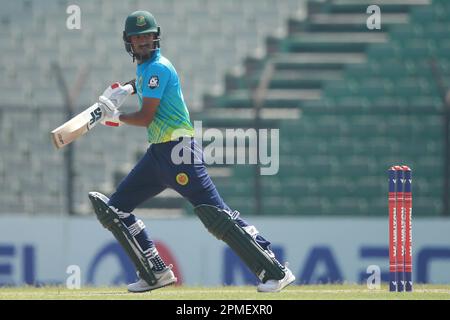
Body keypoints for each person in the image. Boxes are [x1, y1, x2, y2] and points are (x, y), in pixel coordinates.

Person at [89, 10, 295, 293]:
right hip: (159, 154)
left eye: (148, 36)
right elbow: (142, 82)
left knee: (215, 215)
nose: (144, 42)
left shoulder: (158, 68)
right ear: (129, 42)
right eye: (138, 38)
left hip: (179, 152)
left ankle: (275, 271)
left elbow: (147, 116)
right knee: (116, 210)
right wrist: (124, 89)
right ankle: (154, 273)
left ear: (156, 38)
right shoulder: (146, 69)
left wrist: (115, 117)